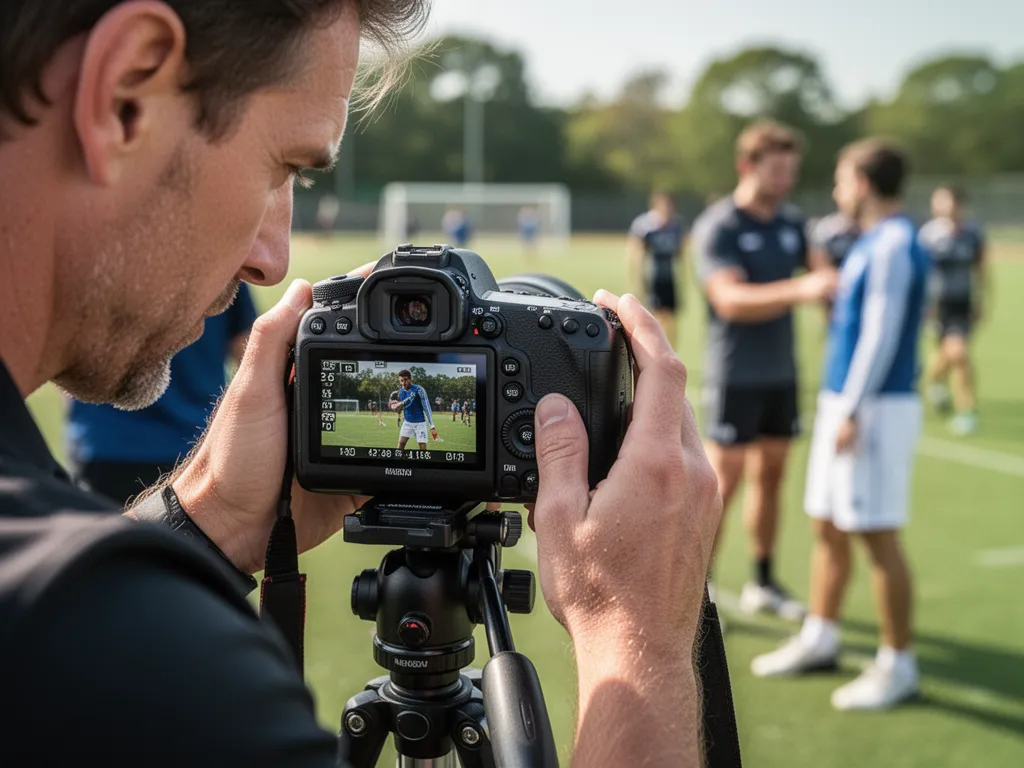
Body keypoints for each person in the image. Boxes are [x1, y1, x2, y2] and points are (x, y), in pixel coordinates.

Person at [0, 1, 724, 765]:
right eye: (284, 169)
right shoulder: (111, 641)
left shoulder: (53, 608)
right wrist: (635, 635)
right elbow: (79, 633)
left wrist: (208, 519)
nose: (272, 263)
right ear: (125, 95)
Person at [752, 139, 929, 711]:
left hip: (875, 406)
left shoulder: (894, 242)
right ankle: (821, 636)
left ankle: (898, 665)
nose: (836, 190)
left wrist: (853, 406)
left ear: (865, 183)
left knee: (877, 535)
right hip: (847, 401)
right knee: (826, 521)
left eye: (842, 178)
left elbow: (880, 332)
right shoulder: (871, 241)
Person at [692, 120, 837, 620]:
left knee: (772, 476)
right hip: (735, 374)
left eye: (791, 171)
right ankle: (697, 589)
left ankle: (764, 580)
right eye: (776, 170)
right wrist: (802, 289)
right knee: (721, 487)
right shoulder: (721, 226)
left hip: (781, 373)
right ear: (746, 166)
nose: (785, 180)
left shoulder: (791, 224)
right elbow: (728, 299)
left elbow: (824, 273)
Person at [66, 284, 258, 506]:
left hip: (108, 441)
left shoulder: (101, 266)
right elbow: (248, 357)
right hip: (196, 442)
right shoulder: (222, 267)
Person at [919, 184, 989, 436]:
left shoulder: (973, 233)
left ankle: (966, 410)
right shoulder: (929, 235)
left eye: (945, 200)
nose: (939, 205)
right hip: (938, 306)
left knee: (959, 354)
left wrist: (982, 300)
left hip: (963, 302)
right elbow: (920, 273)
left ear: (958, 204)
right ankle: (935, 381)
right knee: (946, 354)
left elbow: (981, 269)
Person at [627, 190, 687, 350]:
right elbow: (637, 255)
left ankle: (671, 351)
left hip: (669, 277)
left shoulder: (676, 225)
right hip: (653, 277)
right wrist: (638, 282)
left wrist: (683, 281)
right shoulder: (646, 226)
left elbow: (681, 254)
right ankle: (653, 349)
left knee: (671, 317)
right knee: (652, 316)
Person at [390, 369, 437, 450]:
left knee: (422, 448)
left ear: (410, 379)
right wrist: (396, 407)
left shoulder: (419, 390)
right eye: (401, 381)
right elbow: (402, 407)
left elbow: (427, 407)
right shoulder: (401, 391)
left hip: (420, 423)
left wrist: (432, 425)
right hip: (407, 422)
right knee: (401, 443)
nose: (403, 383)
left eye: (405, 380)